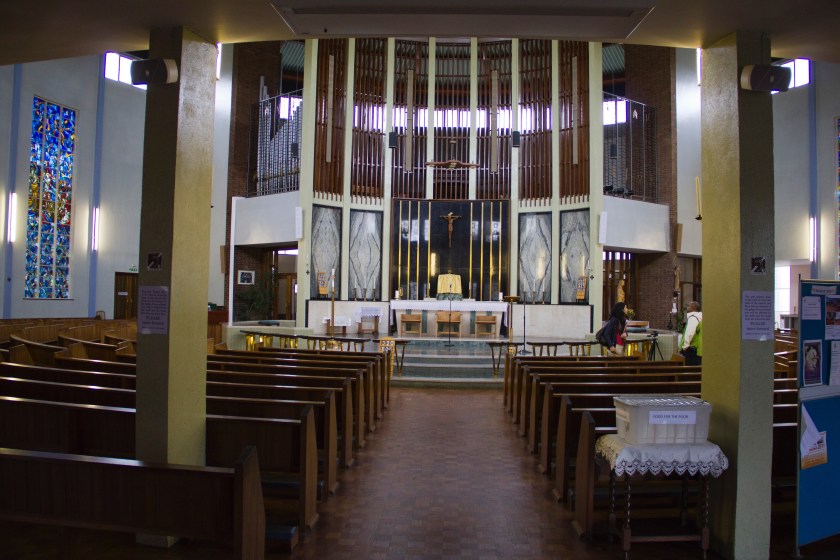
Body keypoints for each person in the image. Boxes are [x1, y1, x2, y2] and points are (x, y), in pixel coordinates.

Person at [680, 301, 703, 365]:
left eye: (688, 306)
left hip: (691, 350)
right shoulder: (699, 317)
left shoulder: (693, 318)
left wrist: (685, 347)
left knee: (689, 370)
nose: (687, 307)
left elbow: (689, 333)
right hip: (698, 349)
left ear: (693, 308)